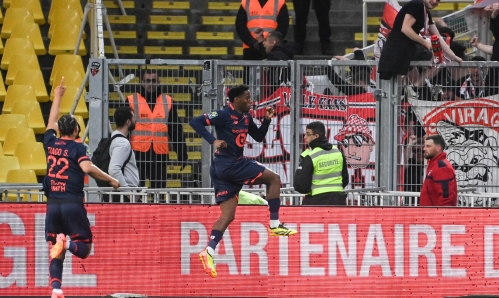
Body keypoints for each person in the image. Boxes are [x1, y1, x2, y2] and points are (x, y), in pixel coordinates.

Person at [189, 84, 297, 278]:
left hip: (224, 169)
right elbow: (195, 121)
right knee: (274, 179)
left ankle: (209, 251)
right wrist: (212, 140)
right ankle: (274, 224)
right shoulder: (222, 114)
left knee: (228, 215)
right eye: (247, 98)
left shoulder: (246, 117)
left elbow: (258, 137)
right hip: (230, 165)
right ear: (236, 99)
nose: (251, 101)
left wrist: (266, 120)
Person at [44, 78, 120, 298]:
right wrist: (111, 180)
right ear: (77, 129)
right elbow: (87, 168)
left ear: (59, 130)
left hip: (52, 206)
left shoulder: (50, 143)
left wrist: (57, 96)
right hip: (71, 204)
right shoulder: (77, 148)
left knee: (55, 253)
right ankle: (66, 244)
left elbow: (50, 123)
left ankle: (56, 290)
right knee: (84, 249)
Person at [127, 70, 188, 190]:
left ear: (158, 82)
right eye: (147, 81)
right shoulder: (131, 100)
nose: (150, 84)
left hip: (159, 152)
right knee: (137, 188)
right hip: (138, 152)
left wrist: (182, 154)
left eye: (153, 81)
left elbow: (176, 129)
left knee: (159, 189)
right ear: (142, 82)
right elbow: (124, 127)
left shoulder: (168, 101)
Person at [378, 0, 463, 80]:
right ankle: (415, 88)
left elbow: (438, 37)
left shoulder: (425, 11)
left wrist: (454, 56)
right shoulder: (417, 5)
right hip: (396, 51)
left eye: (438, 0)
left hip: (406, 50)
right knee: (391, 88)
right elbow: (405, 28)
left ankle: (414, 89)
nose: (434, 2)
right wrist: (425, 43)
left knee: (438, 60)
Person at [294, 121, 349, 205]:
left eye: (308, 134)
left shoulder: (310, 156)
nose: (305, 137)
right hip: (338, 201)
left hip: (316, 202)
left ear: (316, 136)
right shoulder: (338, 152)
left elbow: (301, 186)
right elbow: (345, 179)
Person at [108, 106, 140, 202]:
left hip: (122, 193)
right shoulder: (122, 143)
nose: (135, 120)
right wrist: (128, 192)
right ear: (128, 122)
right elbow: (113, 170)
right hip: (124, 197)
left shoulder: (114, 139)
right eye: (133, 117)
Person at [420, 134, 457, 206]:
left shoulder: (441, 167)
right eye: (424, 146)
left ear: (438, 148)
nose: (424, 149)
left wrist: (440, 215)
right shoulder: (436, 165)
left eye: (428, 146)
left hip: (436, 215)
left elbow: (446, 196)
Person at [255, 30, 294, 96]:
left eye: (265, 40)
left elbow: (275, 79)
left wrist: (268, 71)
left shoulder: (275, 55)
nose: (263, 43)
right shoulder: (284, 52)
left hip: (280, 93)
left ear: (273, 43)